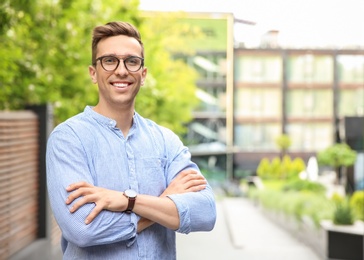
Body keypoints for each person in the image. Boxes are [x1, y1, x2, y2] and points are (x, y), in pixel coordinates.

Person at [46, 21, 216, 260]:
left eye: (131, 61)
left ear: (143, 74)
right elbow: (83, 229)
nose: (121, 70)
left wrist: (126, 201)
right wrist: (162, 204)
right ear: (93, 73)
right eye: (109, 60)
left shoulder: (166, 141)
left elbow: (205, 212)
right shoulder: (68, 139)